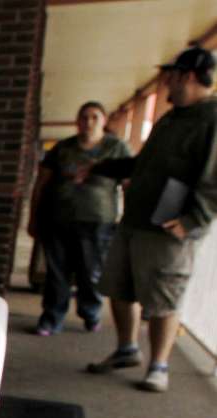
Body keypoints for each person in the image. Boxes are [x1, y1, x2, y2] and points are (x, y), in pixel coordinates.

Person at [83, 46, 217, 392]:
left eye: (171, 76)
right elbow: (144, 165)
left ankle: (159, 366)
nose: (167, 84)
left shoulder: (212, 119)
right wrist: (99, 167)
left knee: (162, 298)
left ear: (186, 76)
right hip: (136, 219)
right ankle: (127, 349)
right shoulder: (170, 119)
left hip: (170, 228)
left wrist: (192, 219)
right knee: (118, 286)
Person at [28, 101, 132, 334]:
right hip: (59, 218)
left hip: (97, 221)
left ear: (104, 121)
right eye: (84, 117)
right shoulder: (63, 148)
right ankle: (52, 317)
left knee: (90, 272)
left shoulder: (116, 149)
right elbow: (41, 183)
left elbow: (128, 184)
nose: (89, 122)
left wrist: (129, 218)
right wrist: (34, 217)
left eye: (95, 117)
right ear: (77, 121)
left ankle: (90, 312)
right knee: (56, 272)